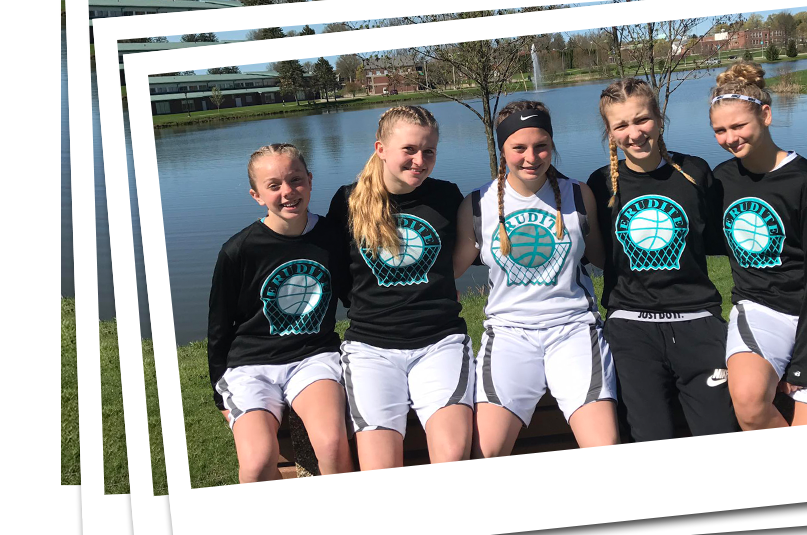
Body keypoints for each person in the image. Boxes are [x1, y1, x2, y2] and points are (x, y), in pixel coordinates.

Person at [454, 101, 618, 457]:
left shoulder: (578, 195)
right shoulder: (477, 205)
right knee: (486, 452)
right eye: (519, 147)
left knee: (604, 448)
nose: (532, 156)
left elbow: (607, 261)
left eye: (541, 145)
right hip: (510, 334)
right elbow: (447, 273)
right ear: (503, 149)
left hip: (573, 330)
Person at [708, 63, 807, 428]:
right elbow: (710, 238)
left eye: (738, 126)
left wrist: (802, 364)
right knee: (748, 404)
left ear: (765, 115)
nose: (730, 138)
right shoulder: (722, 179)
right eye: (720, 130)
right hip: (761, 307)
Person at [585, 78, 738, 442]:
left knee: (720, 433)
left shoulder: (696, 172)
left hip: (698, 323)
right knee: (651, 436)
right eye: (621, 125)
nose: (634, 133)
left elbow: (724, 236)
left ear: (660, 117)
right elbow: (599, 254)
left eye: (642, 120)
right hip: (631, 329)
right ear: (609, 133)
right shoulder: (601, 184)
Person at [326, 105, 474, 470]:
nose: (419, 161)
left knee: (453, 455)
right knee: (380, 469)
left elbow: (457, 260)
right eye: (409, 150)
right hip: (371, 349)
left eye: (429, 151)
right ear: (381, 149)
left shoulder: (445, 196)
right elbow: (339, 276)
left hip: (439, 342)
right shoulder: (347, 201)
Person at [208, 143, 352, 483]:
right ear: (256, 195)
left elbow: (355, 295)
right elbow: (219, 327)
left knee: (331, 444)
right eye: (274, 185)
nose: (288, 192)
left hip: (313, 358)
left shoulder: (333, 237)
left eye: (295, 180)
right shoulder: (238, 250)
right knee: (257, 464)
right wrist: (220, 395)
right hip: (251, 366)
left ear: (310, 181)